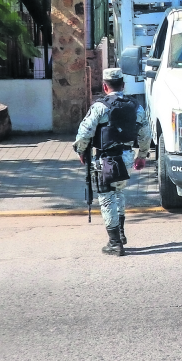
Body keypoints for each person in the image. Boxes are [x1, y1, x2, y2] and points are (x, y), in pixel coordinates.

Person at [74, 68, 153, 257]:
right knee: (118, 193)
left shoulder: (100, 106)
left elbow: (84, 133)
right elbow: (145, 133)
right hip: (126, 157)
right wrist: (142, 155)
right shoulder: (136, 106)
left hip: (106, 159)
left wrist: (80, 150)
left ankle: (115, 243)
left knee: (107, 198)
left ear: (104, 86)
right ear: (123, 85)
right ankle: (122, 234)